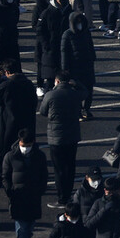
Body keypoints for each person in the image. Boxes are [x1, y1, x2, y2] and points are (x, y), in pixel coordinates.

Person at [40, 72, 86, 208]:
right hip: (72, 135)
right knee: (70, 166)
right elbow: (85, 92)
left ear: (57, 81)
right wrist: (76, 83)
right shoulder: (74, 93)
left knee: (59, 169)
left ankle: (62, 198)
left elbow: (43, 111)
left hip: (56, 137)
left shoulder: (51, 95)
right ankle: (68, 194)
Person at [2, 128, 48, 238]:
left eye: (28, 145)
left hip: (33, 197)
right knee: (22, 227)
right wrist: (9, 191)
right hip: (18, 198)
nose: (25, 147)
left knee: (30, 226)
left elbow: (44, 175)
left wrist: (40, 190)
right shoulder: (10, 156)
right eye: (23, 145)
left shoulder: (39, 156)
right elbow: (5, 176)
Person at [0, 60, 38, 159]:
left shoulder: (6, 85)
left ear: (7, 72)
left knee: (7, 150)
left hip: (9, 123)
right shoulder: (28, 83)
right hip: (27, 121)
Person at [61, 11, 96, 119]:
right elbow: (64, 52)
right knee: (77, 90)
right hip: (74, 68)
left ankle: (86, 109)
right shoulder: (67, 35)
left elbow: (90, 46)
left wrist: (92, 58)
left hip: (87, 66)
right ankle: (79, 110)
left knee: (89, 89)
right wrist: (65, 70)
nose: (79, 24)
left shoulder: (86, 32)